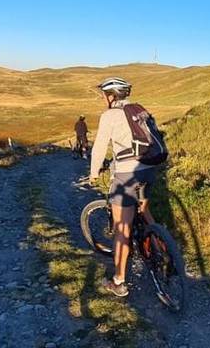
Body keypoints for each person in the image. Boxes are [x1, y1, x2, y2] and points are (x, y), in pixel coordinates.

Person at [89, 76, 157, 297]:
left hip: (126, 174)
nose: (103, 99)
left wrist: (93, 173)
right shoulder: (140, 110)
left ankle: (118, 281)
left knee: (122, 228)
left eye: (104, 95)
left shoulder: (110, 115)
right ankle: (162, 246)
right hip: (149, 169)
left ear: (111, 96)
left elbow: (100, 146)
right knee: (144, 209)